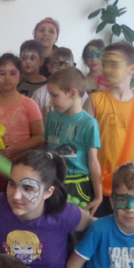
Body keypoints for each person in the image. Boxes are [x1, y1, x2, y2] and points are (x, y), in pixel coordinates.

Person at [89, 42, 134, 217]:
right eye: (105, 64)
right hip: (95, 184)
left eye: (114, 64)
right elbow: (84, 144)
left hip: (127, 186)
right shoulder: (94, 101)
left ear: (132, 68)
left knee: (125, 226)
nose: (106, 70)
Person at [0, 54, 44, 195]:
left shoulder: (29, 104)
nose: (7, 78)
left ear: (20, 76)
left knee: (18, 199)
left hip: (22, 165)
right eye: (2, 73)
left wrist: (15, 148)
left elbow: (40, 137)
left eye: (12, 73)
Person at [45, 67, 103, 214]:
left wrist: (99, 196)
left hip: (77, 184)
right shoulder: (52, 116)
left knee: (76, 224)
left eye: (55, 95)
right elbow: (46, 146)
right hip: (53, 180)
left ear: (73, 93)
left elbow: (93, 161)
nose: (51, 100)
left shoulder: (89, 123)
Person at [31, 47, 77, 117]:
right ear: (49, 68)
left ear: (73, 67)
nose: (61, 69)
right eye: (57, 65)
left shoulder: (79, 93)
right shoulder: (39, 94)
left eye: (66, 65)